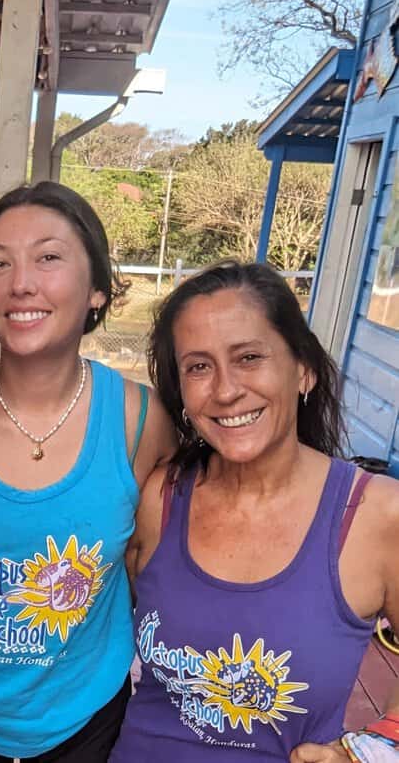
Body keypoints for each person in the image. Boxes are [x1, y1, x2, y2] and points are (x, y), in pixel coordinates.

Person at [0, 181, 177, 762]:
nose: (20, 282)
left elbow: (157, 568)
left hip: (82, 726)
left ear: (99, 289)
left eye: (49, 257)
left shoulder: (140, 422)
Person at [109, 261, 399, 763]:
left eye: (248, 357)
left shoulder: (376, 515)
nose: (225, 390)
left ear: (303, 368)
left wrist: (371, 748)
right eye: (199, 366)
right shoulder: (160, 500)